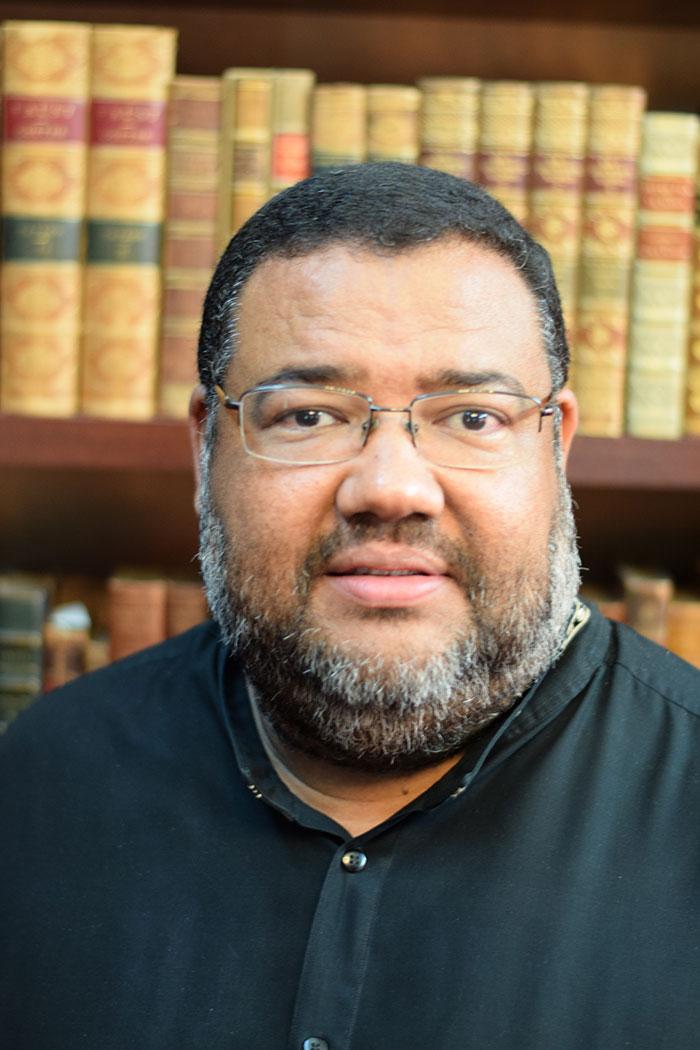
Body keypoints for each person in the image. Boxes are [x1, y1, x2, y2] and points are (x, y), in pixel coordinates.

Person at [1, 163, 699, 1050]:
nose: (392, 488)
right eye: (308, 416)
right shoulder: (40, 785)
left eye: (473, 417)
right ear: (207, 447)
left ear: (554, 447)